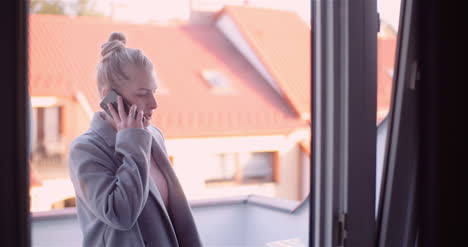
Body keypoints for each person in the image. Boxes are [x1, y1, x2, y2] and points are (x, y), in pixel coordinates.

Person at [68, 32, 203, 247]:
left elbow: (173, 216)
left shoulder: (153, 136)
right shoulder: (85, 150)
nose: (154, 104)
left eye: (154, 92)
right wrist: (132, 143)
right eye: (142, 94)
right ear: (109, 97)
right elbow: (121, 215)